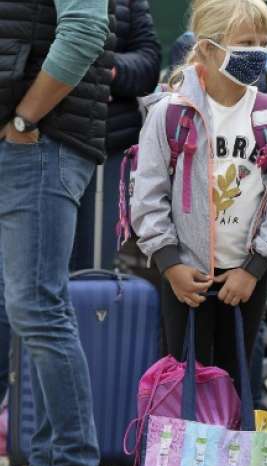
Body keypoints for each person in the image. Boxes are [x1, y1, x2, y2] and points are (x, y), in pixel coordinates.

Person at [129, 0, 267, 466]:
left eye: (261, 43)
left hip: (243, 279)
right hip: (183, 277)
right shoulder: (170, 113)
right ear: (206, 49)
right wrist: (169, 262)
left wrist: (254, 267)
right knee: (181, 380)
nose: (256, 53)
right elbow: (148, 194)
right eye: (243, 43)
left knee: (234, 379)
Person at [0, 0, 111, 466]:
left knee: (37, 308)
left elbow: (85, 29)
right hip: (29, 140)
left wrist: (26, 116)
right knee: (31, 309)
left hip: (40, 140)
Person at [71, 0, 161, 273]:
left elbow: (149, 63)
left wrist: (108, 69)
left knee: (94, 263)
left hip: (109, 148)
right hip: (41, 142)